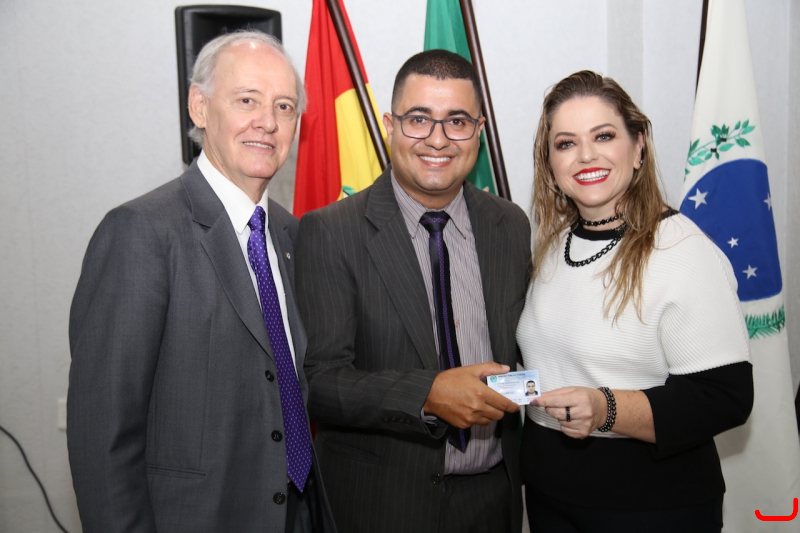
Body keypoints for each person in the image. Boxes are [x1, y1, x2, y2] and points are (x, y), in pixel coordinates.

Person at [67, 31, 336, 533]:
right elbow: (102, 436)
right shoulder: (141, 233)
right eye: (247, 100)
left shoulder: (291, 234)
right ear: (199, 107)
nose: (267, 122)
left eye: (284, 106)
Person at [295, 49, 531, 533]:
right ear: (390, 125)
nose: (438, 139)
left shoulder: (510, 225)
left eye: (457, 121)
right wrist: (427, 394)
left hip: (493, 501)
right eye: (419, 119)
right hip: (381, 506)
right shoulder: (331, 231)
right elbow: (316, 383)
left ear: (479, 130)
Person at [517, 70, 753, 532]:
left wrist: (605, 408)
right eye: (565, 143)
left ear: (639, 145)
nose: (586, 155)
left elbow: (726, 398)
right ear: (549, 162)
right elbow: (556, 361)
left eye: (603, 136)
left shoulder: (682, 250)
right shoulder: (553, 244)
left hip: (651, 506)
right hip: (549, 497)